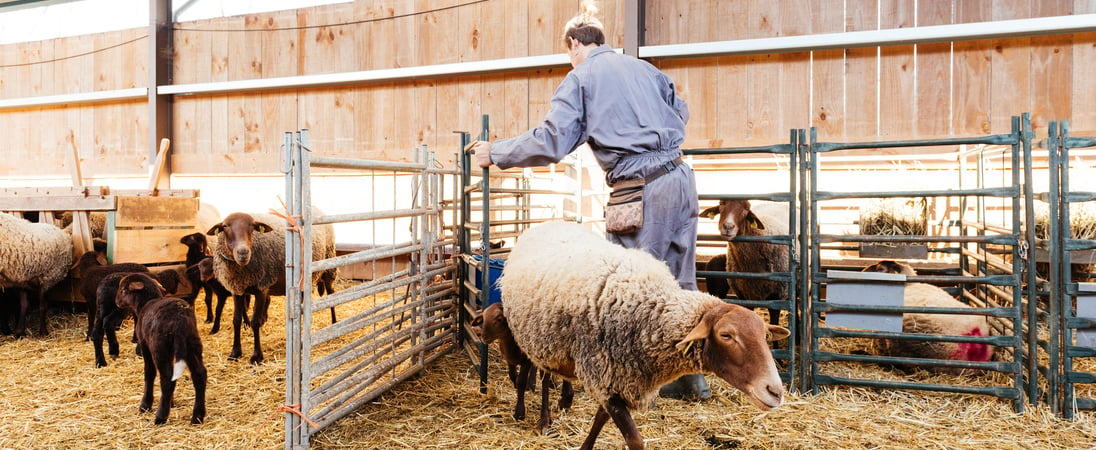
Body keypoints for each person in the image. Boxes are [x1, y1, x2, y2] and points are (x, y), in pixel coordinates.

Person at [469, 3, 709, 401]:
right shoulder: (644, 68)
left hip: (640, 185)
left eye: (569, 52)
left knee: (631, 292)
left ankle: (631, 384)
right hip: (680, 177)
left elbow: (553, 139)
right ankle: (691, 381)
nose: (570, 59)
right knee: (681, 280)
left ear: (574, 43)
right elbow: (680, 111)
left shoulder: (581, 77)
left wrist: (496, 152)